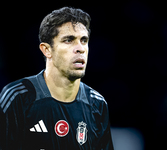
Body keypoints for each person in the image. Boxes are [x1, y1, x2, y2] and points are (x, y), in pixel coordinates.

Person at [0, 7, 114, 150]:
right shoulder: (17, 98)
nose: (80, 48)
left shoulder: (97, 104)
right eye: (69, 40)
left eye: (84, 40)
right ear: (47, 50)